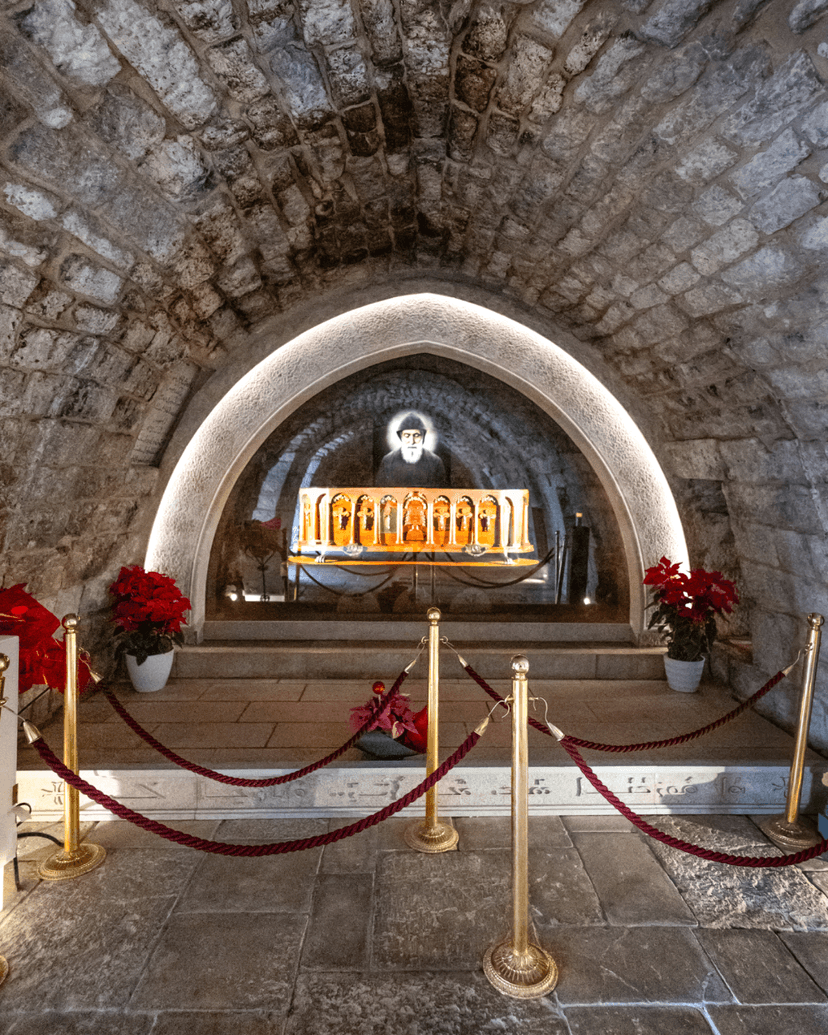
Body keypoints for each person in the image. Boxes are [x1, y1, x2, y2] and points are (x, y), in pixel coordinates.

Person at [376, 413, 447, 487]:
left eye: (416, 435)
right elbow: (380, 490)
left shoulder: (435, 461)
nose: (412, 441)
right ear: (401, 437)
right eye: (407, 436)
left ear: (422, 437)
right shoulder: (388, 461)